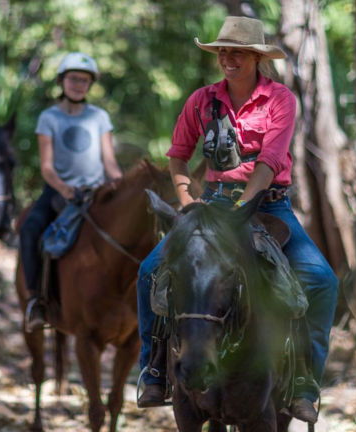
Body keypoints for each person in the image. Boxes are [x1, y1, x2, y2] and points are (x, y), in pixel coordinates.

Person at [135, 16, 339, 424]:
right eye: (223, 51)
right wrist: (188, 202)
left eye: (238, 52)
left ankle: (304, 382)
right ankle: (154, 369)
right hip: (211, 203)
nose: (229, 58)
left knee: (321, 281)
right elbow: (178, 155)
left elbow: (270, 161)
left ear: (257, 58)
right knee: (149, 271)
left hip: (268, 204)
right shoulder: (201, 100)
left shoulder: (279, 99)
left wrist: (242, 206)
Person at [20, 52, 123, 332]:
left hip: (95, 192)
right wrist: (65, 189)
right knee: (30, 229)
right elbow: (46, 166)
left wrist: (119, 184)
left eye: (84, 80)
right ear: (62, 81)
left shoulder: (99, 117)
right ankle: (35, 299)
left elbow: (109, 162)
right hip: (58, 191)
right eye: (74, 78)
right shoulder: (49, 117)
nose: (79, 84)